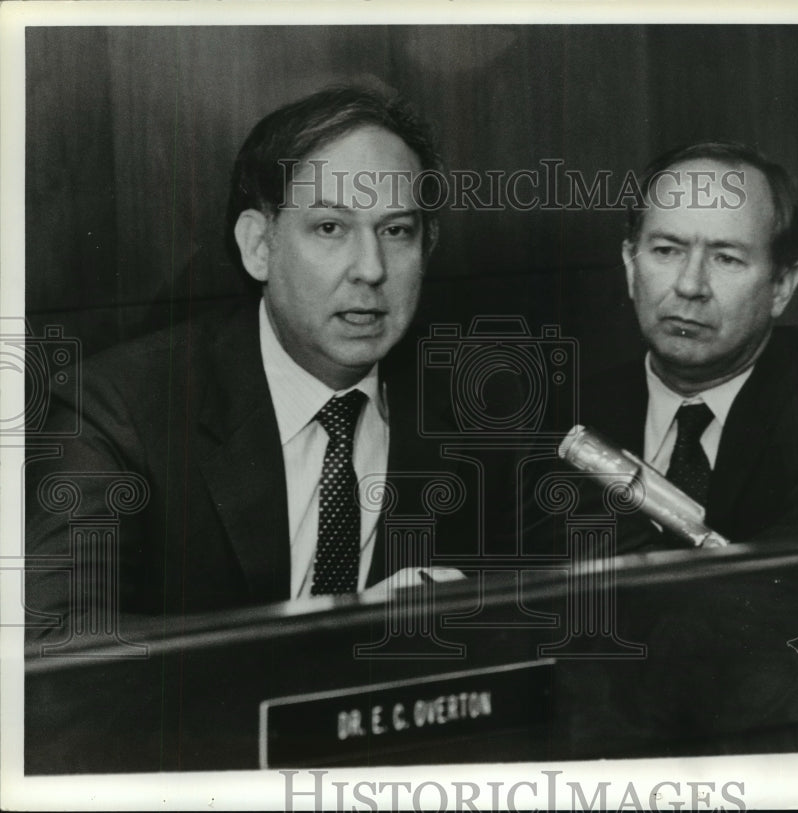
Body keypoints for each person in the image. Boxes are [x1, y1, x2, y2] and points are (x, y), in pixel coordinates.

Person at [24, 84, 485, 646]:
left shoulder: (483, 402)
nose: (371, 269)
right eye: (330, 228)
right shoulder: (116, 410)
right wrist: (335, 639)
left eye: (396, 231)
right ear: (259, 247)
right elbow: (54, 639)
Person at [572, 141, 798, 549]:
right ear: (631, 266)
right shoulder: (567, 411)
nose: (689, 286)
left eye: (726, 258)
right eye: (666, 250)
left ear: (781, 286)